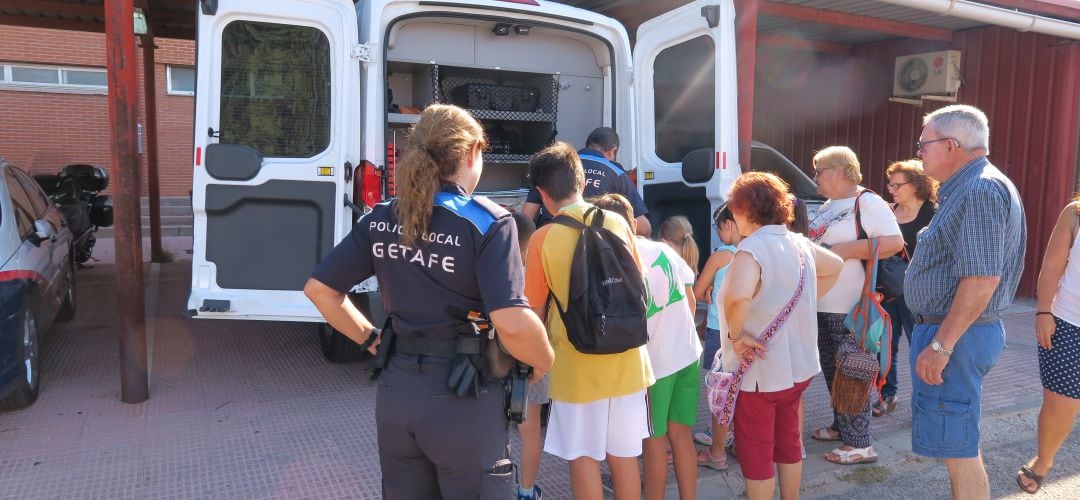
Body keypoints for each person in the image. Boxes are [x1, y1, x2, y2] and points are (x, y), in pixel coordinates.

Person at [303, 104, 554, 499]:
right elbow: (513, 320)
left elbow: (320, 290)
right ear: (471, 153)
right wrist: (543, 360)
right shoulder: (490, 222)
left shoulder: (381, 217)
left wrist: (373, 341)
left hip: (396, 394)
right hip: (464, 399)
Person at [905, 104, 1026, 499]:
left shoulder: (979, 190)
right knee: (957, 443)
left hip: (955, 336)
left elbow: (981, 279)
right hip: (957, 333)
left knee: (958, 449)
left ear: (952, 145)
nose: (919, 151)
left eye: (924, 144)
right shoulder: (973, 186)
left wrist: (941, 345)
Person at [523, 142, 654, 500]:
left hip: (575, 365)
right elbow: (637, 285)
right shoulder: (616, 222)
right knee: (625, 458)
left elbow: (532, 311)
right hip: (629, 360)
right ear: (582, 182)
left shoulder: (542, 239)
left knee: (583, 460)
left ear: (542, 193)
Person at [721, 172, 844, 500]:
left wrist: (736, 335)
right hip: (798, 367)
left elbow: (737, 297)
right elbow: (835, 265)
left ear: (746, 209)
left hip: (759, 371)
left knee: (756, 450)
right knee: (790, 439)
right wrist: (807, 302)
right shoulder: (798, 242)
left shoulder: (751, 249)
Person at [593, 197, 701, 500]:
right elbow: (690, 303)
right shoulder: (664, 249)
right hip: (688, 354)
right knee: (681, 437)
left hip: (656, 366)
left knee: (654, 442)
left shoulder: (618, 261)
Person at [807, 145, 904, 465]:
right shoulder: (830, 205)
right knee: (836, 371)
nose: (815, 178)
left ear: (838, 171)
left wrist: (848, 248)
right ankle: (841, 427)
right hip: (823, 303)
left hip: (852, 306)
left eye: (819, 171)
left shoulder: (869, 202)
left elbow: (894, 243)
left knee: (853, 371)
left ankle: (861, 444)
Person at [1016, 195, 1080, 494]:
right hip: (1068, 321)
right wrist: (1043, 311)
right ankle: (1044, 460)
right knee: (1059, 403)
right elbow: (1053, 265)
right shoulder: (1075, 212)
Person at [873, 159, 938, 417]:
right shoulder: (887, 212)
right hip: (887, 290)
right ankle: (886, 396)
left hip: (919, 294)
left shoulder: (933, 213)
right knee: (884, 347)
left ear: (916, 184)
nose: (892, 189)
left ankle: (923, 403)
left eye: (898, 184)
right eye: (890, 184)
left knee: (919, 347)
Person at [521, 127, 651, 236]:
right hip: (597, 247)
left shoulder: (554, 165)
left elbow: (526, 218)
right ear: (612, 151)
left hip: (549, 238)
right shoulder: (616, 173)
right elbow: (644, 228)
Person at [691, 204, 740, 469]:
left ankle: (717, 452)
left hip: (718, 332)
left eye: (718, 227)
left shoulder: (722, 255)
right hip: (744, 331)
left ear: (729, 225)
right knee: (738, 389)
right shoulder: (752, 251)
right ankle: (734, 439)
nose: (718, 232)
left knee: (719, 391)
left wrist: (707, 287)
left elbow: (697, 292)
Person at [510, 210, 549, 500]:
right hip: (532, 361)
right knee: (530, 430)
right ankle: (525, 490)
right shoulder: (537, 269)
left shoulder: (491, 268)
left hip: (496, 360)